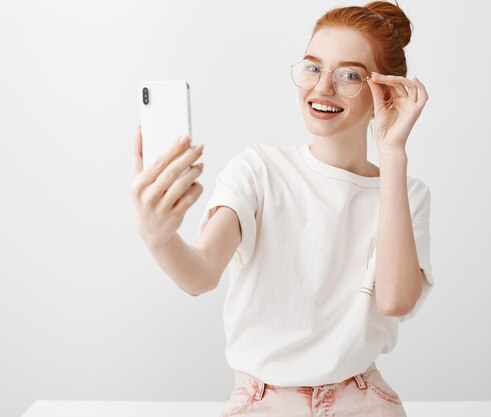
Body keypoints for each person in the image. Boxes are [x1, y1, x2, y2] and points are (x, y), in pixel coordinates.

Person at [131, 1, 432, 415]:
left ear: (386, 91)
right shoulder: (258, 171)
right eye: (312, 67)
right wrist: (159, 238)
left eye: (348, 75)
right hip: (262, 402)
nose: (322, 88)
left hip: (361, 399)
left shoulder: (405, 192)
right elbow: (200, 274)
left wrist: (393, 152)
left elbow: (396, 302)